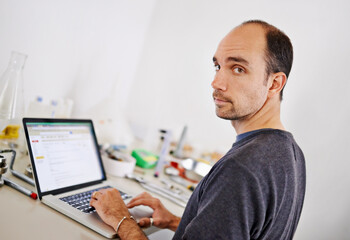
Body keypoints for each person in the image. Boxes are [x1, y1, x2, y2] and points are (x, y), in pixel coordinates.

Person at [90, 20, 306, 240]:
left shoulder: (242, 167)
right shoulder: (292, 154)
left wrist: (120, 218)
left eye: (238, 69)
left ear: (274, 84)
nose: (216, 82)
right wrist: (178, 222)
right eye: (218, 66)